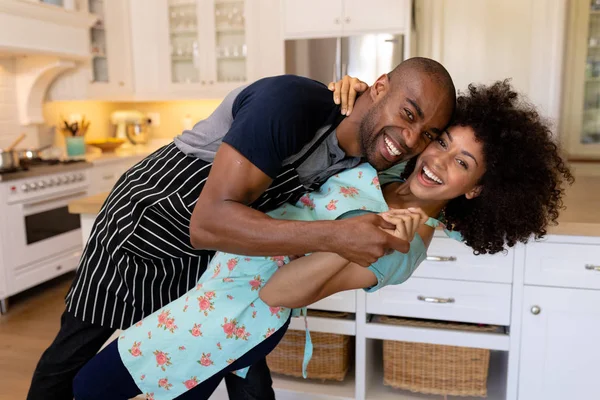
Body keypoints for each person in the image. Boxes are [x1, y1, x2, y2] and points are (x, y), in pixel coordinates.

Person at [71, 80, 573, 400]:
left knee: (88, 388)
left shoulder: (403, 250)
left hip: (227, 319)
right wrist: (356, 95)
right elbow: (379, 121)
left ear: (478, 188)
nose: (438, 161)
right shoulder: (395, 165)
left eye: (462, 162)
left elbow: (281, 293)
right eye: (441, 141)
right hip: (209, 278)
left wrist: (354, 238)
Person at [27, 58, 456, 400]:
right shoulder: (288, 104)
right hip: (148, 223)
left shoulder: (380, 147)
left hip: (225, 250)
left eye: (428, 133)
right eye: (407, 113)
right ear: (379, 87)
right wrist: (336, 236)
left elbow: (439, 176)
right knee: (77, 346)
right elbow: (209, 222)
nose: (412, 138)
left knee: (233, 355)